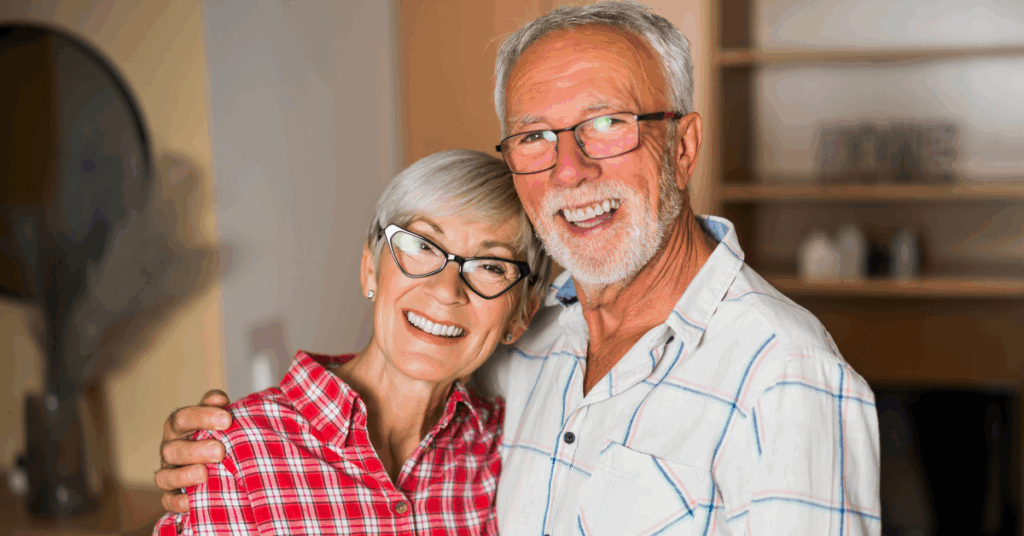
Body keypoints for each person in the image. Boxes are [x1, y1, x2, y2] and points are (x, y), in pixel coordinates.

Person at [157, 3, 881, 535]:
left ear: (683, 147)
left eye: (608, 124)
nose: (571, 169)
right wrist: (249, 437)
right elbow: (421, 351)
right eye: (536, 136)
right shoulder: (531, 346)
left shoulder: (785, 374)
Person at [152, 149, 551, 535]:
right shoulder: (235, 455)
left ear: (521, 316)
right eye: (422, 245)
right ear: (370, 269)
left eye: (491, 266)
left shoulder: (504, 449)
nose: (446, 291)